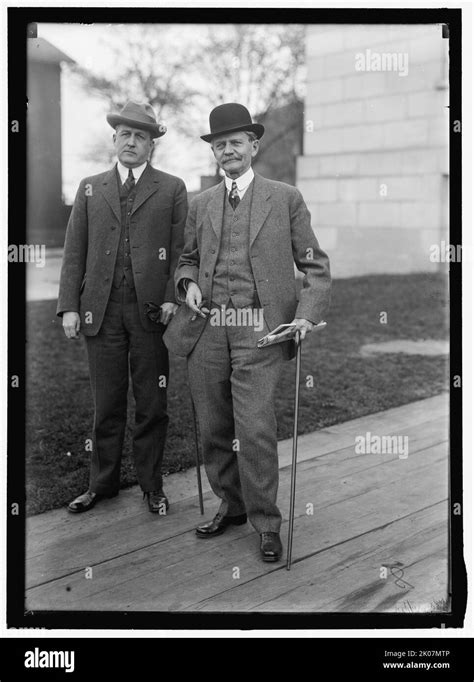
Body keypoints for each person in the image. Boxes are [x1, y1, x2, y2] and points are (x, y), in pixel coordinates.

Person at [164, 103, 331, 561]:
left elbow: (315, 263)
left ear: (253, 146)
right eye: (220, 144)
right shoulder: (201, 205)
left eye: (236, 142)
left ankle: (266, 522)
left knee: (254, 428)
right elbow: (187, 258)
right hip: (209, 329)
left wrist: (306, 314)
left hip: (261, 331)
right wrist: (188, 282)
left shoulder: (286, 197)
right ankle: (231, 505)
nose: (227, 151)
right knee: (214, 427)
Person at [57, 101, 187, 514]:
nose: (132, 142)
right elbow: (74, 251)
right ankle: (102, 483)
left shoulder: (171, 188)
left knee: (152, 403)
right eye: (125, 135)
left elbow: (184, 251)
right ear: (114, 139)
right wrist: (70, 306)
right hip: (101, 310)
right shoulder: (91, 187)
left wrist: (171, 296)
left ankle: (152, 485)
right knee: (107, 403)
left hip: (151, 313)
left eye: (141, 136)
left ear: (152, 145)